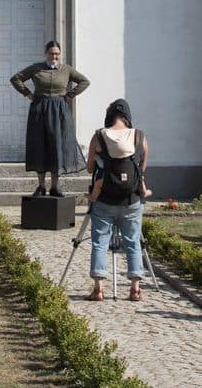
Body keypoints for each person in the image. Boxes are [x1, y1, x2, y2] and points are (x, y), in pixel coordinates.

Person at [84, 99, 147, 302]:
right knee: (133, 242)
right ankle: (135, 288)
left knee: (100, 242)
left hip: (103, 199)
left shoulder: (99, 136)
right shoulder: (139, 135)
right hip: (131, 199)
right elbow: (142, 165)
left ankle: (98, 288)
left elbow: (90, 168)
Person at [10, 40, 90, 197]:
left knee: (57, 146)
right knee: (40, 145)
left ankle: (55, 186)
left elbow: (84, 81)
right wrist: (28, 94)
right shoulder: (36, 68)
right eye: (52, 53)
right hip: (39, 109)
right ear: (46, 53)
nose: (54, 56)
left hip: (59, 110)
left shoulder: (66, 70)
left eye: (57, 54)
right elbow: (15, 79)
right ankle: (41, 186)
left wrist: (70, 95)